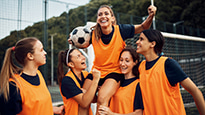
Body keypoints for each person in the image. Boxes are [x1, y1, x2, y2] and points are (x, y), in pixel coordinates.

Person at [69, 4, 157, 114]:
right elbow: (83, 44)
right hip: (97, 71)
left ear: (112, 18)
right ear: (97, 19)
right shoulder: (93, 34)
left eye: (106, 13)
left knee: (102, 98)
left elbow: (143, 27)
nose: (103, 16)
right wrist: (73, 41)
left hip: (114, 72)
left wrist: (151, 15)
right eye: (100, 14)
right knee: (84, 100)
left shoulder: (121, 30)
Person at [136, 29, 205, 115]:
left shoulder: (168, 64)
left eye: (141, 39)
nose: (137, 42)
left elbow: (194, 90)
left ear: (152, 44)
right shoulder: (140, 67)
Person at [0, 37, 64, 115]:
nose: (45, 53)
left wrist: (53, 109)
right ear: (30, 56)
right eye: (41, 50)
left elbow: (35, 106)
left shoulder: (39, 75)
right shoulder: (14, 86)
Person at [98, 46, 144, 115]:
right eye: (121, 60)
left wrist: (112, 114)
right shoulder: (115, 82)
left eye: (127, 61)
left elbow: (139, 113)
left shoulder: (137, 85)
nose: (122, 64)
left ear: (135, 62)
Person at [57, 48, 101, 115]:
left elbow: (93, 99)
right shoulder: (67, 81)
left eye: (81, 55)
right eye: (78, 56)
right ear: (71, 64)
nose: (83, 57)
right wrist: (95, 80)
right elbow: (84, 103)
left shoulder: (86, 75)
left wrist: (89, 92)